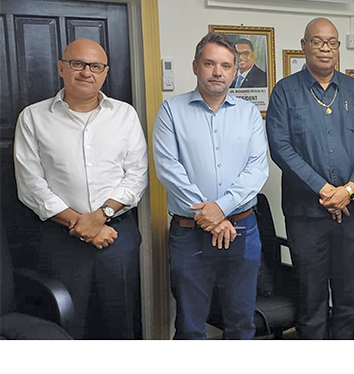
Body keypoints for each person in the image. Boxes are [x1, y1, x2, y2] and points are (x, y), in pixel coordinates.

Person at [14, 39, 148, 339]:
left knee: (122, 322)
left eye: (95, 66)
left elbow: (137, 175)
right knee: (66, 323)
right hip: (60, 240)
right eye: (78, 64)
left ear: (105, 72)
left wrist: (101, 215)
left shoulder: (124, 114)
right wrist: (81, 223)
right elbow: (31, 184)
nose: (86, 72)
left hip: (117, 236)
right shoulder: (33, 117)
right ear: (62, 67)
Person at [266, 17, 354, 339]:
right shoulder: (286, 92)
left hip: (352, 212)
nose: (325, 48)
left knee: (348, 298)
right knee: (311, 299)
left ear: (339, 48)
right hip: (307, 216)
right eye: (317, 41)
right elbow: (281, 148)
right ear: (304, 46)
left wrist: (349, 189)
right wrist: (326, 190)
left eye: (332, 42)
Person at [153, 32, 269, 339]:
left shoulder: (249, 114)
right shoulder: (170, 111)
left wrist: (221, 208)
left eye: (226, 66)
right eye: (209, 63)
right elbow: (168, 169)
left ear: (234, 71)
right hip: (190, 234)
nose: (218, 72)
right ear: (195, 66)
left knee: (242, 323)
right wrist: (211, 215)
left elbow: (258, 169)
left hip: (242, 230)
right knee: (190, 326)